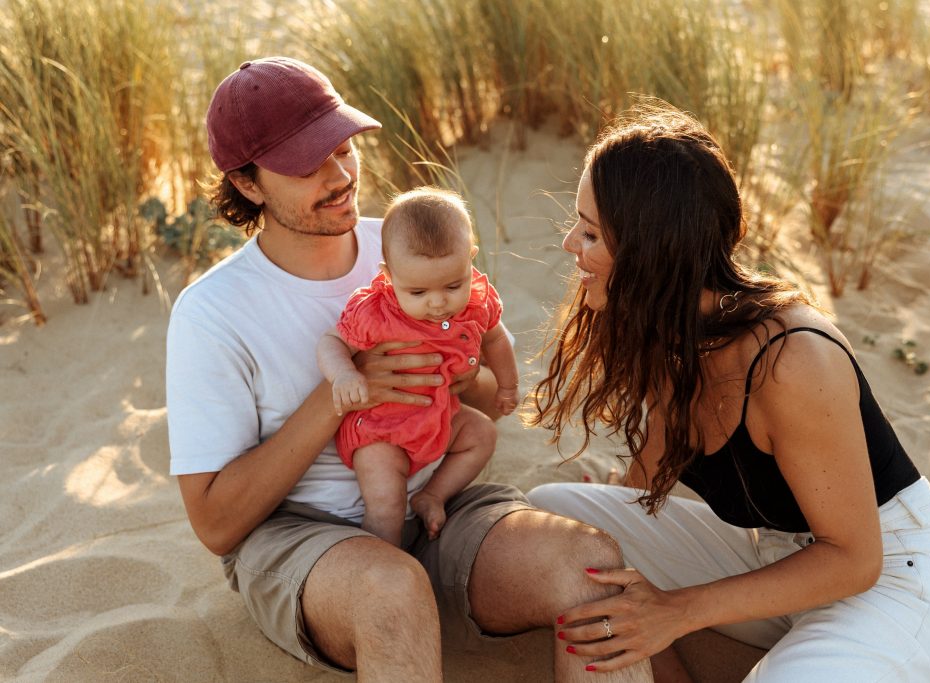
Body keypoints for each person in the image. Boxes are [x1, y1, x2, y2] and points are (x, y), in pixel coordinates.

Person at [165, 56, 654, 682]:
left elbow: (473, 394)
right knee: (392, 590)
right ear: (248, 183)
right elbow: (216, 522)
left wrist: (459, 379)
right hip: (300, 538)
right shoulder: (212, 312)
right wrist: (343, 392)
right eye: (308, 163)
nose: (341, 174)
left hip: (436, 500)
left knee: (590, 564)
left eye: (343, 147)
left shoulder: (408, 244)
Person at [527, 102, 930, 682]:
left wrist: (676, 612)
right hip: (772, 562)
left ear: (652, 251)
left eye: (589, 231)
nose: (568, 245)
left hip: (884, 578)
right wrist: (617, 511)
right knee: (554, 520)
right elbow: (653, 462)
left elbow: (855, 558)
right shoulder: (668, 330)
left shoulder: (792, 359)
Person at [317, 187, 519, 545]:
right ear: (389, 275)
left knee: (483, 434)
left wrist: (507, 385)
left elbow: (496, 339)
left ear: (470, 260)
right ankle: (385, 562)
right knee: (386, 504)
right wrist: (344, 374)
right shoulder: (374, 311)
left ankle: (433, 495)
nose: (439, 302)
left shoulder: (476, 300)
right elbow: (332, 342)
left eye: (453, 284)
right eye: (418, 293)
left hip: (440, 416)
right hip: (382, 430)